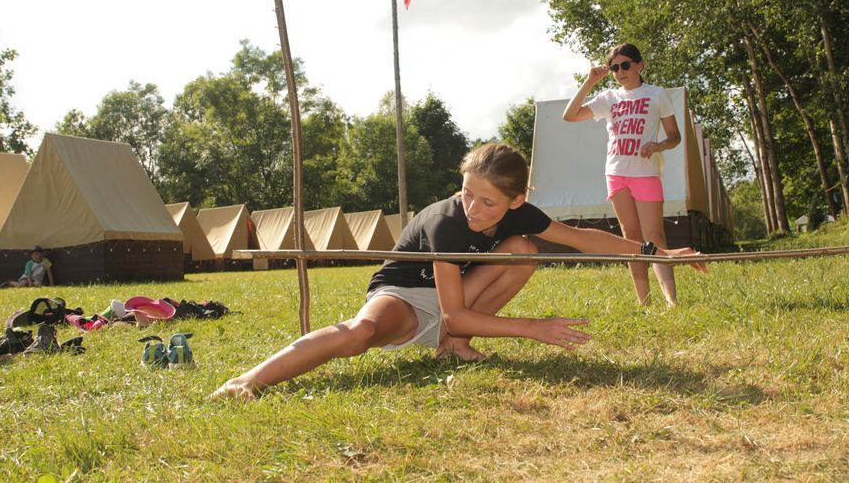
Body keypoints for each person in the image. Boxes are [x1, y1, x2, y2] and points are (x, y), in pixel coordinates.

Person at [211, 143, 704, 401]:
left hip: (459, 296)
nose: (473, 208)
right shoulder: (446, 222)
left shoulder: (518, 215)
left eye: (488, 202)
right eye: (468, 193)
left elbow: (580, 237)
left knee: (524, 249)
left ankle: (452, 348)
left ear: (517, 200)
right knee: (360, 333)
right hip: (405, 295)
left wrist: (654, 252)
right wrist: (532, 328)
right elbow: (454, 313)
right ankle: (248, 380)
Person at [563, 42, 683, 306]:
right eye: (614, 67)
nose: (620, 72)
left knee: (655, 237)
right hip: (616, 174)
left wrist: (659, 145)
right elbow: (569, 116)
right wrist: (590, 81)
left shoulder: (657, 94)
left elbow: (675, 136)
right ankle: (644, 302)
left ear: (640, 65)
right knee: (631, 240)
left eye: (625, 65)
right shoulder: (609, 98)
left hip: (646, 173)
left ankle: (671, 301)